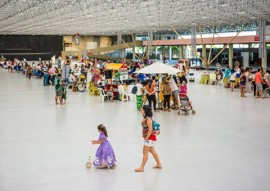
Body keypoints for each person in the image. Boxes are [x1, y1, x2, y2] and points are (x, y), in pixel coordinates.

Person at [135, 105, 162, 172]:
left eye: (142, 109)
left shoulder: (148, 119)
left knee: (145, 152)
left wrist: (146, 137)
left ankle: (142, 167)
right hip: (150, 138)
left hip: (149, 138)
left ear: (145, 110)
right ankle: (159, 164)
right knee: (152, 151)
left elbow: (150, 129)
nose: (141, 110)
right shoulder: (145, 117)